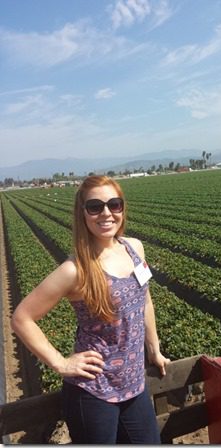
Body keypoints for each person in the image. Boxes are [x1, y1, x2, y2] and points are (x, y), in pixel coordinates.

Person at [11, 175, 170, 444]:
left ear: (122, 208)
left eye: (114, 204)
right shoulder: (75, 270)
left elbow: (145, 301)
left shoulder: (134, 248)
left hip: (134, 385)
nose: (106, 213)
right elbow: (22, 318)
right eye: (95, 206)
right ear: (82, 213)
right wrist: (60, 363)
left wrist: (153, 348)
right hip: (93, 392)